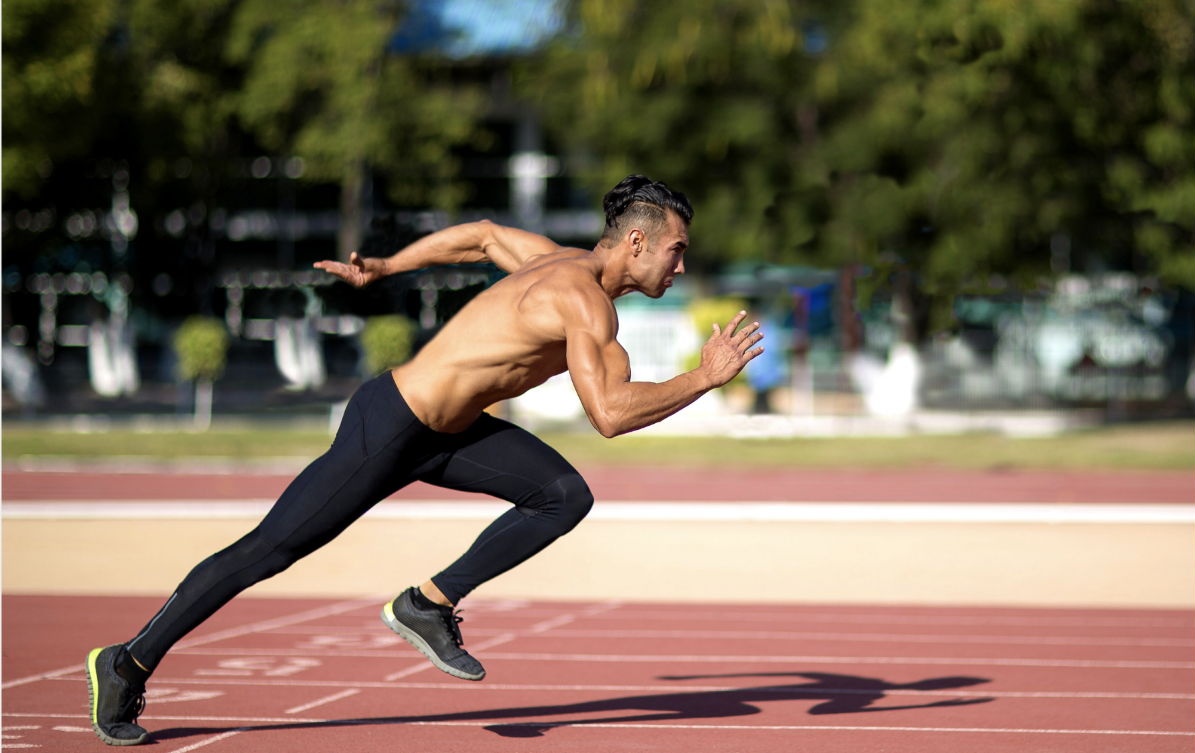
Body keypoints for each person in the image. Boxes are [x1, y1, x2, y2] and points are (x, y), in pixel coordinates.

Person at [85, 175, 764, 746]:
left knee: (563, 493)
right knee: (269, 548)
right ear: (637, 241)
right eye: (675, 252)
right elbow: (610, 414)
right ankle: (129, 660)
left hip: (451, 432)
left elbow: (481, 234)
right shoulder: (579, 298)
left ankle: (427, 603)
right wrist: (705, 377)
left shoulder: (554, 260)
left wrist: (386, 266)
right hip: (391, 425)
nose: (679, 267)